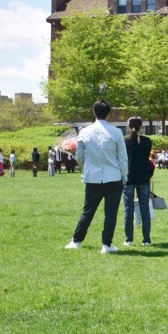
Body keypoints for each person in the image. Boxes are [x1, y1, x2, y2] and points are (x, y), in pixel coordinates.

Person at [65, 100, 128, 254]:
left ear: (94, 112)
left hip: (92, 176)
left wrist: (86, 167)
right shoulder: (116, 132)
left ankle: (77, 240)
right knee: (111, 213)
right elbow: (123, 158)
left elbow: (79, 156)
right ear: (109, 113)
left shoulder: (84, 132)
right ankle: (107, 245)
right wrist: (124, 176)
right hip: (113, 177)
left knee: (88, 210)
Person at [122, 116, 153, 247]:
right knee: (145, 209)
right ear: (141, 126)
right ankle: (146, 239)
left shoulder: (124, 141)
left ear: (129, 126)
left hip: (129, 178)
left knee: (128, 210)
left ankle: (129, 239)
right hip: (144, 178)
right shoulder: (147, 141)